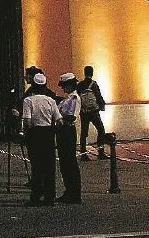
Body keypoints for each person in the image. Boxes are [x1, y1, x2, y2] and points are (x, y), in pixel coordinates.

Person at [21, 72, 62, 206]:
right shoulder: (51, 101)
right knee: (49, 166)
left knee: (36, 165)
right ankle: (50, 197)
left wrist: (26, 132)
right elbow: (59, 120)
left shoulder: (28, 101)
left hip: (35, 133)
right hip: (48, 133)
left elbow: (27, 121)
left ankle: (36, 196)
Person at [55, 73, 82, 204]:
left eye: (64, 85)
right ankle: (69, 191)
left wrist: (58, 117)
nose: (63, 88)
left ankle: (73, 193)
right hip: (63, 131)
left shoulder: (74, 98)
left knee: (69, 163)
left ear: (71, 85)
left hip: (68, 130)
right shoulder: (67, 99)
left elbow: (71, 116)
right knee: (65, 164)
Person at [77, 65, 108, 160]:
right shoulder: (93, 84)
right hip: (94, 112)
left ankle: (83, 154)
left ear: (84, 73)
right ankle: (101, 152)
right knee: (101, 130)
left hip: (84, 112)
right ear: (92, 73)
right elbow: (98, 95)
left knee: (84, 133)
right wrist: (102, 105)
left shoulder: (80, 85)